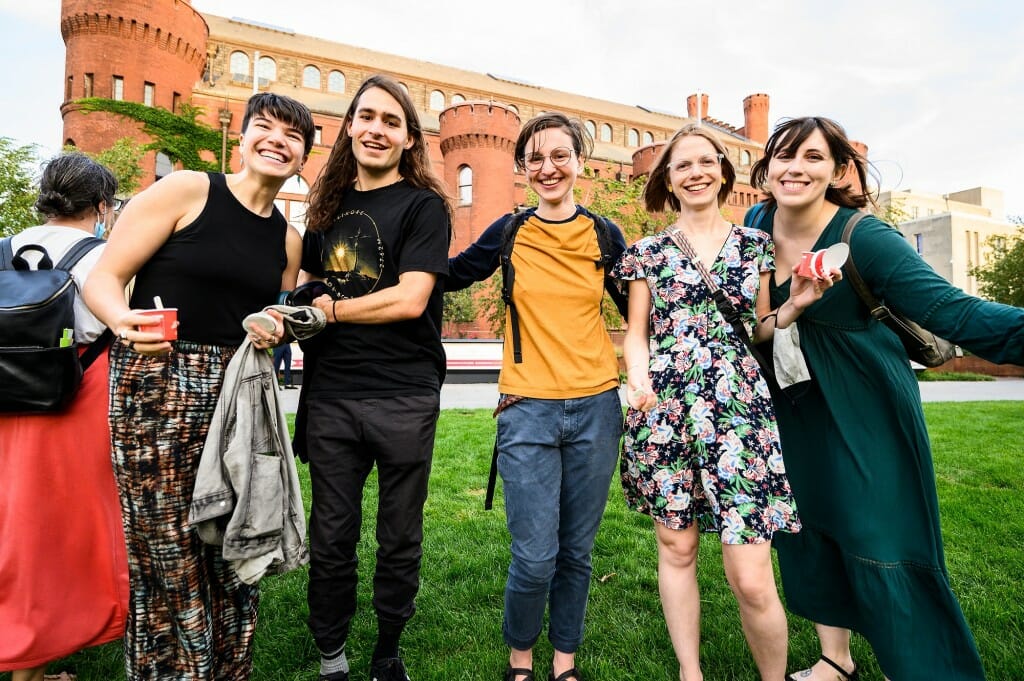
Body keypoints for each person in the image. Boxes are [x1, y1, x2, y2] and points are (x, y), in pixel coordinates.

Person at [745, 116, 1024, 681]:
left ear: (837, 169)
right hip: (794, 407)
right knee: (815, 532)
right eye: (784, 156)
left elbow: (958, 313)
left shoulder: (864, 238)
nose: (796, 168)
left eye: (813, 157)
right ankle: (835, 660)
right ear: (767, 166)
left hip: (865, 405)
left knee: (885, 543)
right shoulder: (756, 221)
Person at [83, 92, 313, 680]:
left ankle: (227, 667)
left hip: (235, 395)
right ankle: (174, 670)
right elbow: (105, 276)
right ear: (242, 138)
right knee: (165, 541)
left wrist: (274, 326)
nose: (277, 140)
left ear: (303, 154)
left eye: (292, 135)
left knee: (230, 535)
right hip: (155, 384)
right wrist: (121, 321)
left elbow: (265, 313)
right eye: (265, 127)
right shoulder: (188, 189)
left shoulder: (286, 239)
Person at [613, 124, 826, 681]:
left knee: (751, 573)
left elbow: (757, 329)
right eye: (682, 165)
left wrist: (795, 306)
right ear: (668, 179)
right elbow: (636, 332)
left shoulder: (755, 246)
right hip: (666, 408)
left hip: (738, 413)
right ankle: (691, 672)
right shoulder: (647, 253)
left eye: (706, 162)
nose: (696, 172)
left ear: (723, 172)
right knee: (676, 546)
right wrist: (638, 380)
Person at [446, 112, 628, 681]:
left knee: (576, 554)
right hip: (526, 409)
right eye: (536, 159)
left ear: (579, 162)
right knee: (534, 557)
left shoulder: (605, 235)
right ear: (523, 168)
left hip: (597, 408)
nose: (548, 168)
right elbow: (447, 274)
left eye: (560, 156)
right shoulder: (509, 231)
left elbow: (638, 314)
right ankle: (520, 664)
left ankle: (564, 665)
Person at [297, 74, 451, 681]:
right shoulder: (327, 206)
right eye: (366, 117)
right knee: (331, 535)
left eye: (391, 121)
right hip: (332, 393)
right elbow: (295, 274)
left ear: (410, 138)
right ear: (349, 127)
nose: (376, 130)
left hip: (403, 394)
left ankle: (388, 648)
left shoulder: (423, 207)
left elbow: (411, 299)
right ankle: (332, 656)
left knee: (398, 536)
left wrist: (329, 310)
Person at [0, 153, 128, 681]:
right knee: (56, 532)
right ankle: (30, 658)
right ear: (100, 205)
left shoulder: (5, 249)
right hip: (71, 404)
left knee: (12, 521)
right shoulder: (104, 257)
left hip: (4, 402)